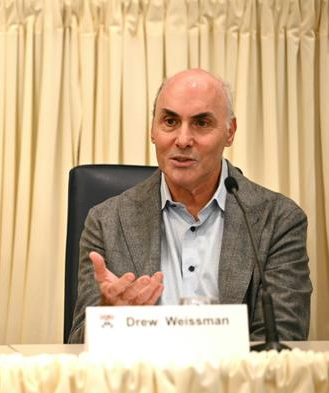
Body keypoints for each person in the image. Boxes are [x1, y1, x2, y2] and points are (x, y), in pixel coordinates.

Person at [69, 68, 312, 343]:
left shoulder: (278, 220)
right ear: (152, 129)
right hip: (141, 383)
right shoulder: (106, 221)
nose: (183, 140)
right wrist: (107, 322)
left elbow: (282, 340)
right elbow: (77, 345)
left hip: (236, 385)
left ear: (229, 132)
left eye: (201, 123)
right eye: (170, 121)